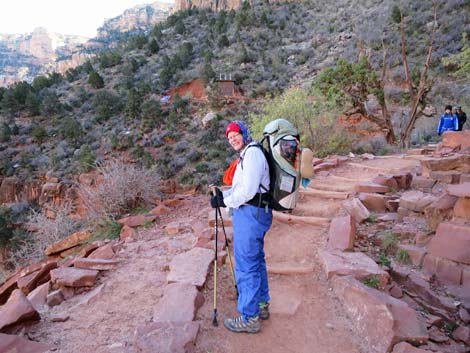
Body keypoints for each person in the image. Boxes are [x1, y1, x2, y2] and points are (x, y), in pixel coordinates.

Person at [210, 121, 272, 334]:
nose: (233, 139)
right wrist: (223, 196)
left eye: (236, 134)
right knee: (256, 260)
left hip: (251, 215)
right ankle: (262, 305)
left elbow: (248, 192)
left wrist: (224, 202)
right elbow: (241, 188)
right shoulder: (247, 154)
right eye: (229, 138)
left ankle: (249, 317)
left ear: (244, 134)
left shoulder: (252, 154)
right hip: (252, 214)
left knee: (246, 265)